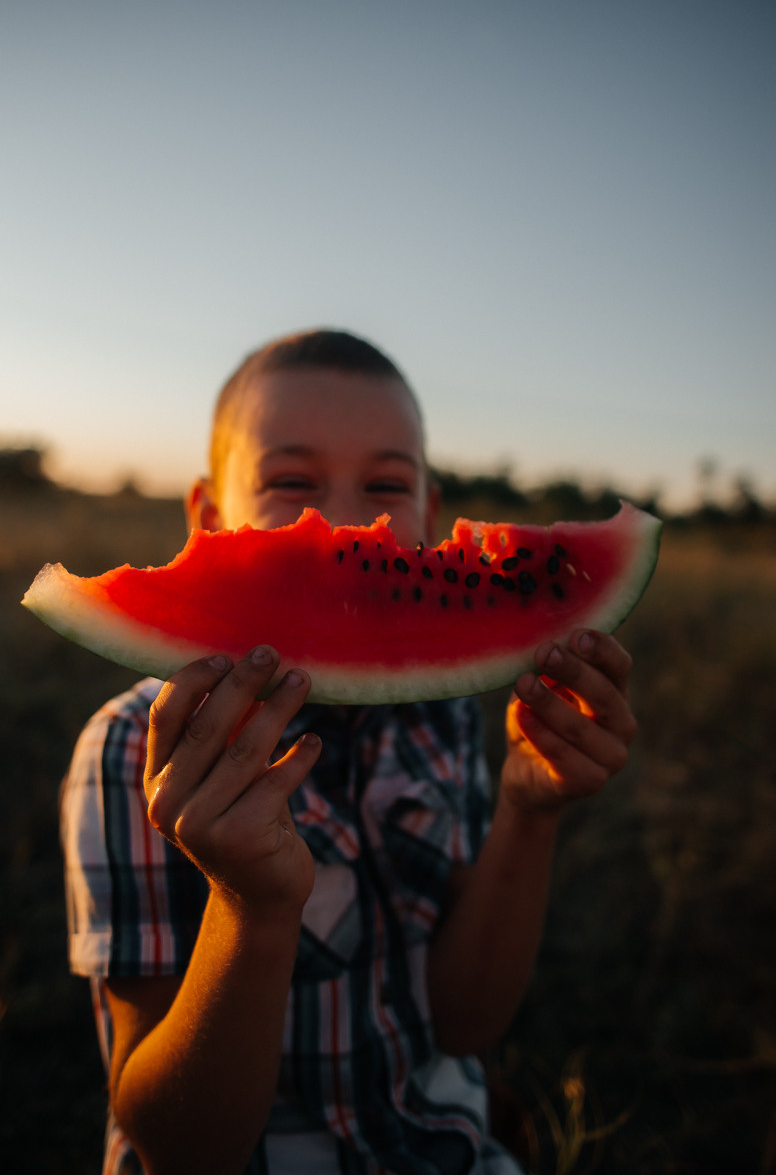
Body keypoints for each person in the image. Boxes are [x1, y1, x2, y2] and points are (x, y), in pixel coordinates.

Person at [61, 329, 637, 1175]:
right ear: (209, 517)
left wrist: (529, 809)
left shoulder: (445, 715)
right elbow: (175, 1148)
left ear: (430, 515)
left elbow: (461, 1026)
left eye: (387, 485)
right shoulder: (133, 751)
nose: (343, 521)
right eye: (292, 481)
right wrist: (250, 909)